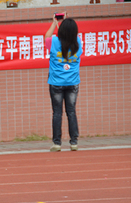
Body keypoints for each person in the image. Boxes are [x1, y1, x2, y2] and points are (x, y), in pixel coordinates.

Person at [45, 13, 83, 152]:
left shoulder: (54, 42)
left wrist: (55, 22)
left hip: (56, 83)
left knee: (57, 113)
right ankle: (74, 142)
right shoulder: (78, 42)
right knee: (71, 112)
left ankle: (57, 143)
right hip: (73, 83)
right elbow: (70, 37)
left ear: (61, 31)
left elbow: (46, 37)